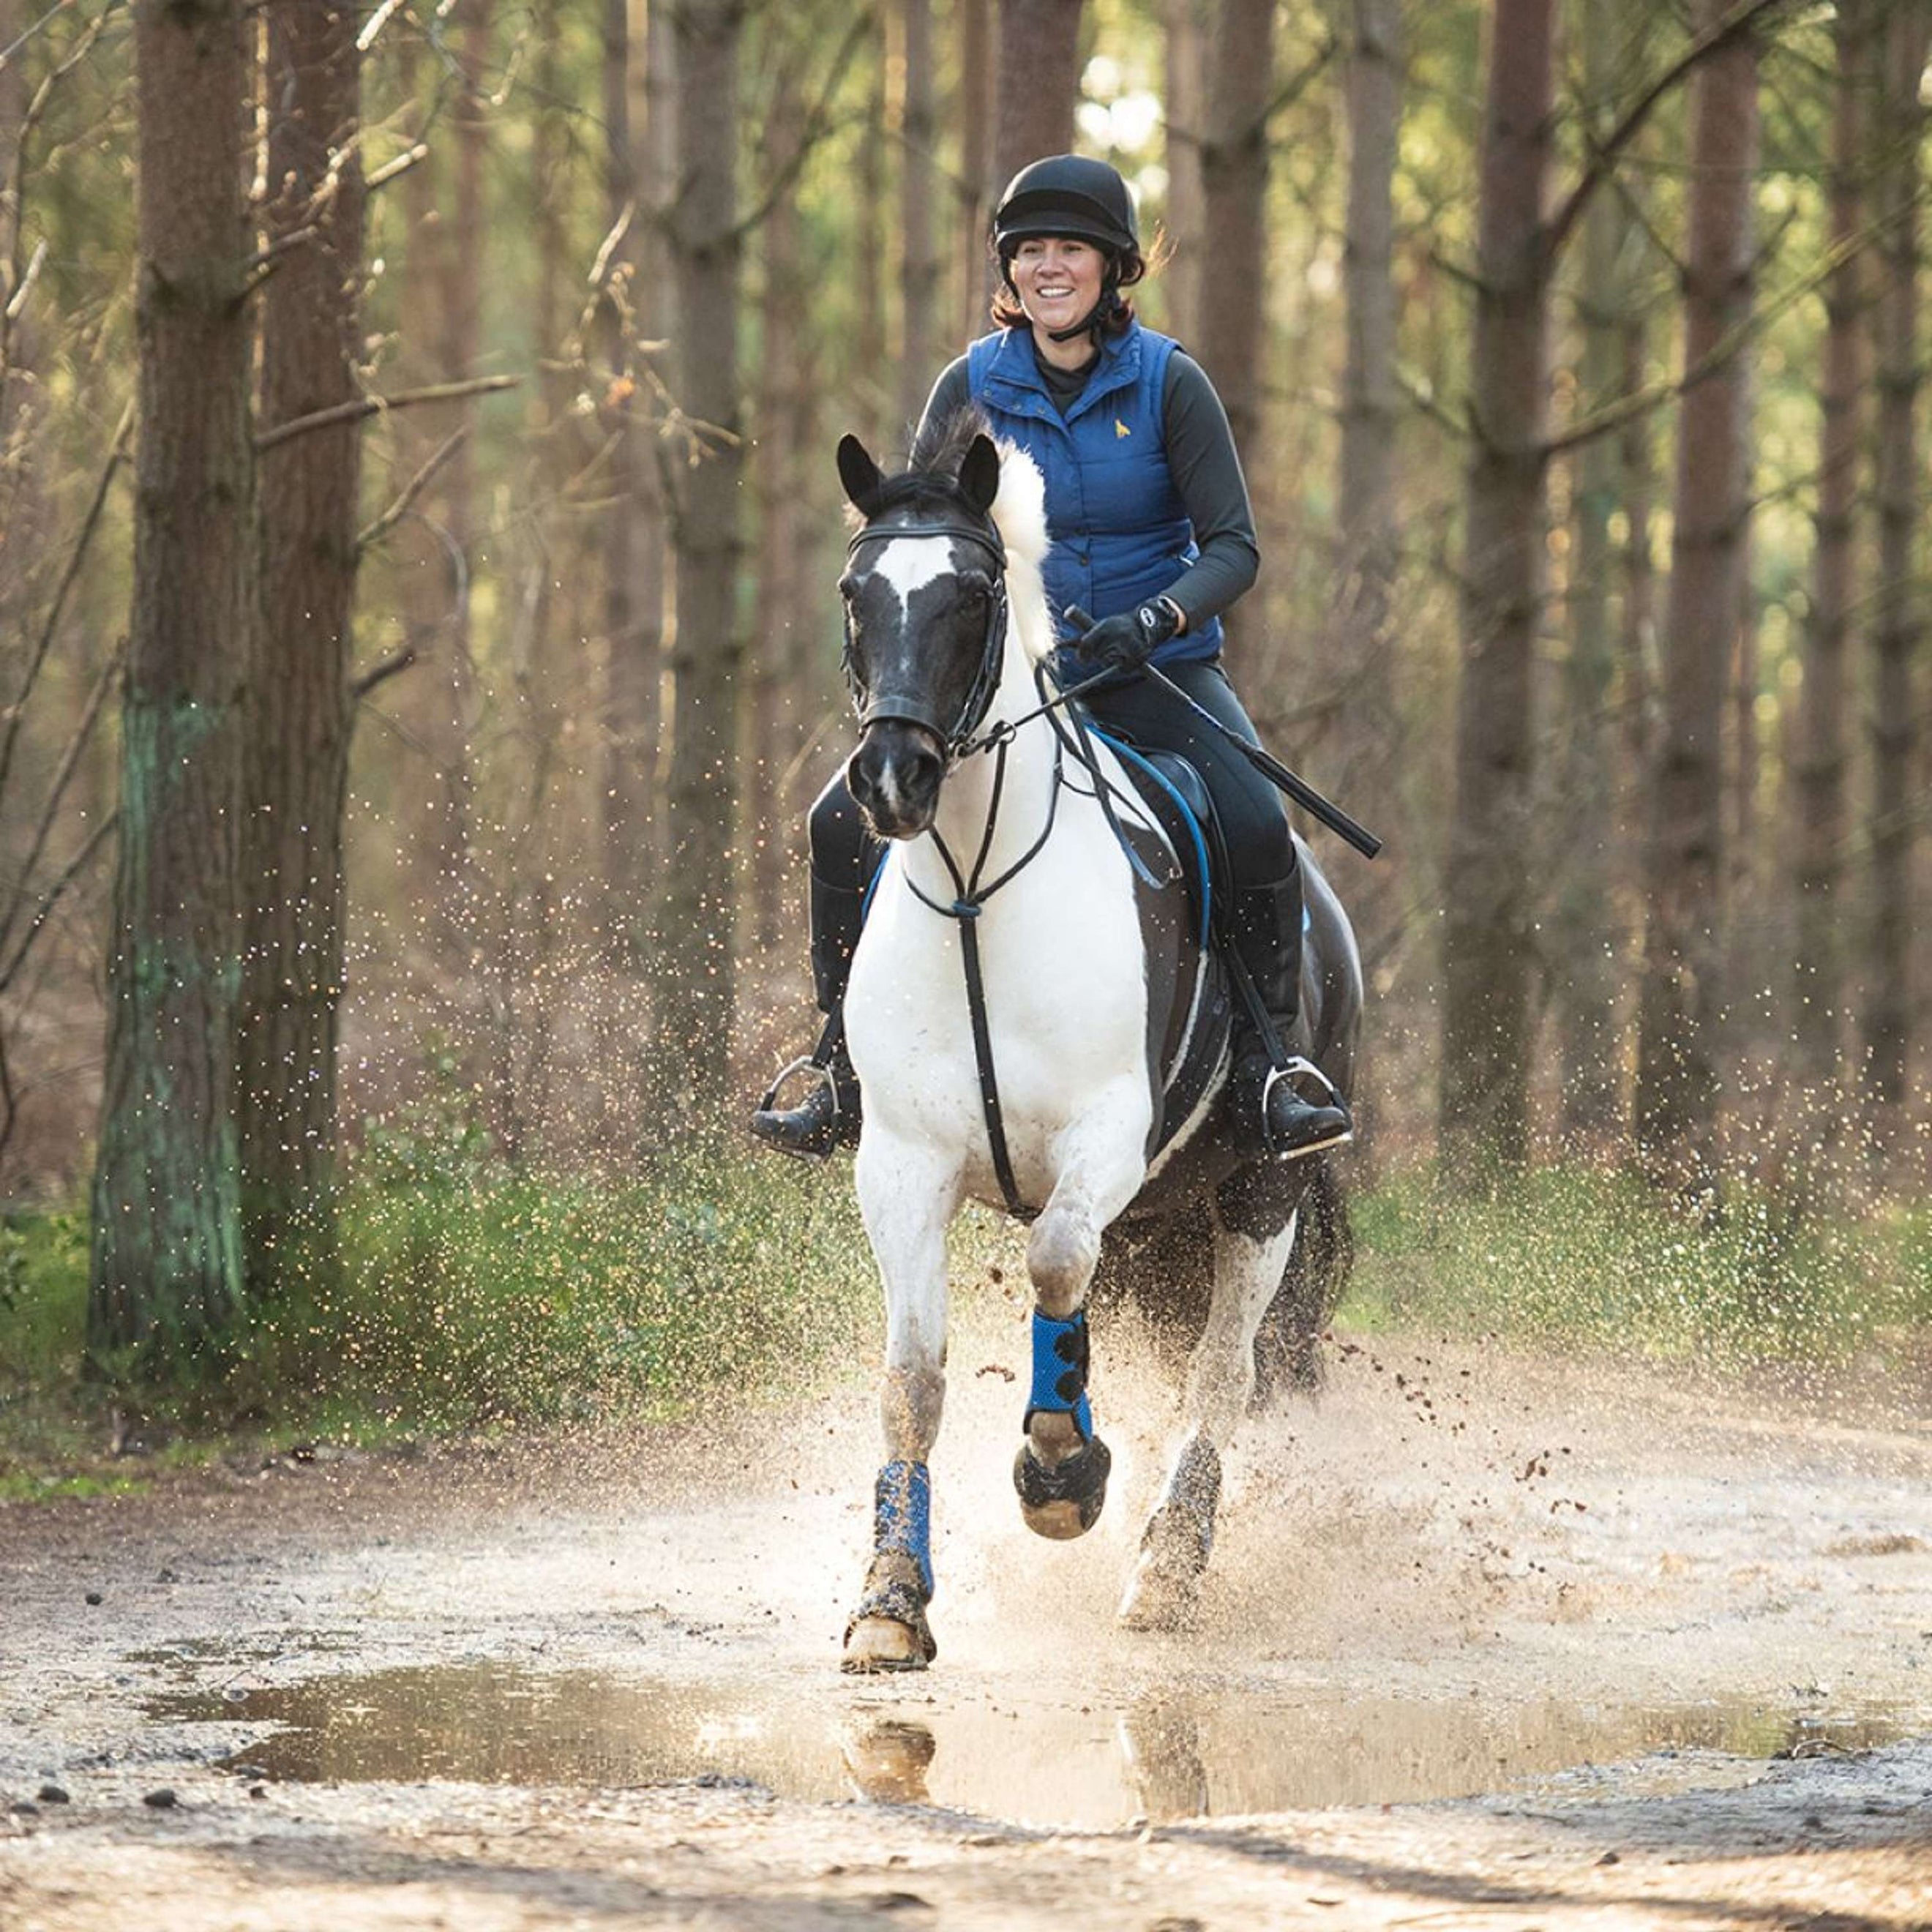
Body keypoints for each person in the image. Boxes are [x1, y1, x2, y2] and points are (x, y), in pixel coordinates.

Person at [752, 153, 1351, 1164]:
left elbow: (1235, 547)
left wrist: (1154, 620)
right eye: (1029, 252)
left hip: (1154, 673)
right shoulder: (969, 384)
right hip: (1003, 686)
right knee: (839, 822)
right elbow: (927, 530)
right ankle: (842, 1068)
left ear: (1112, 267)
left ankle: (1269, 1069)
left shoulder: (1170, 382)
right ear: (1010, 270)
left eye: (1069, 249)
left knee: (1254, 819)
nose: (1047, 268)